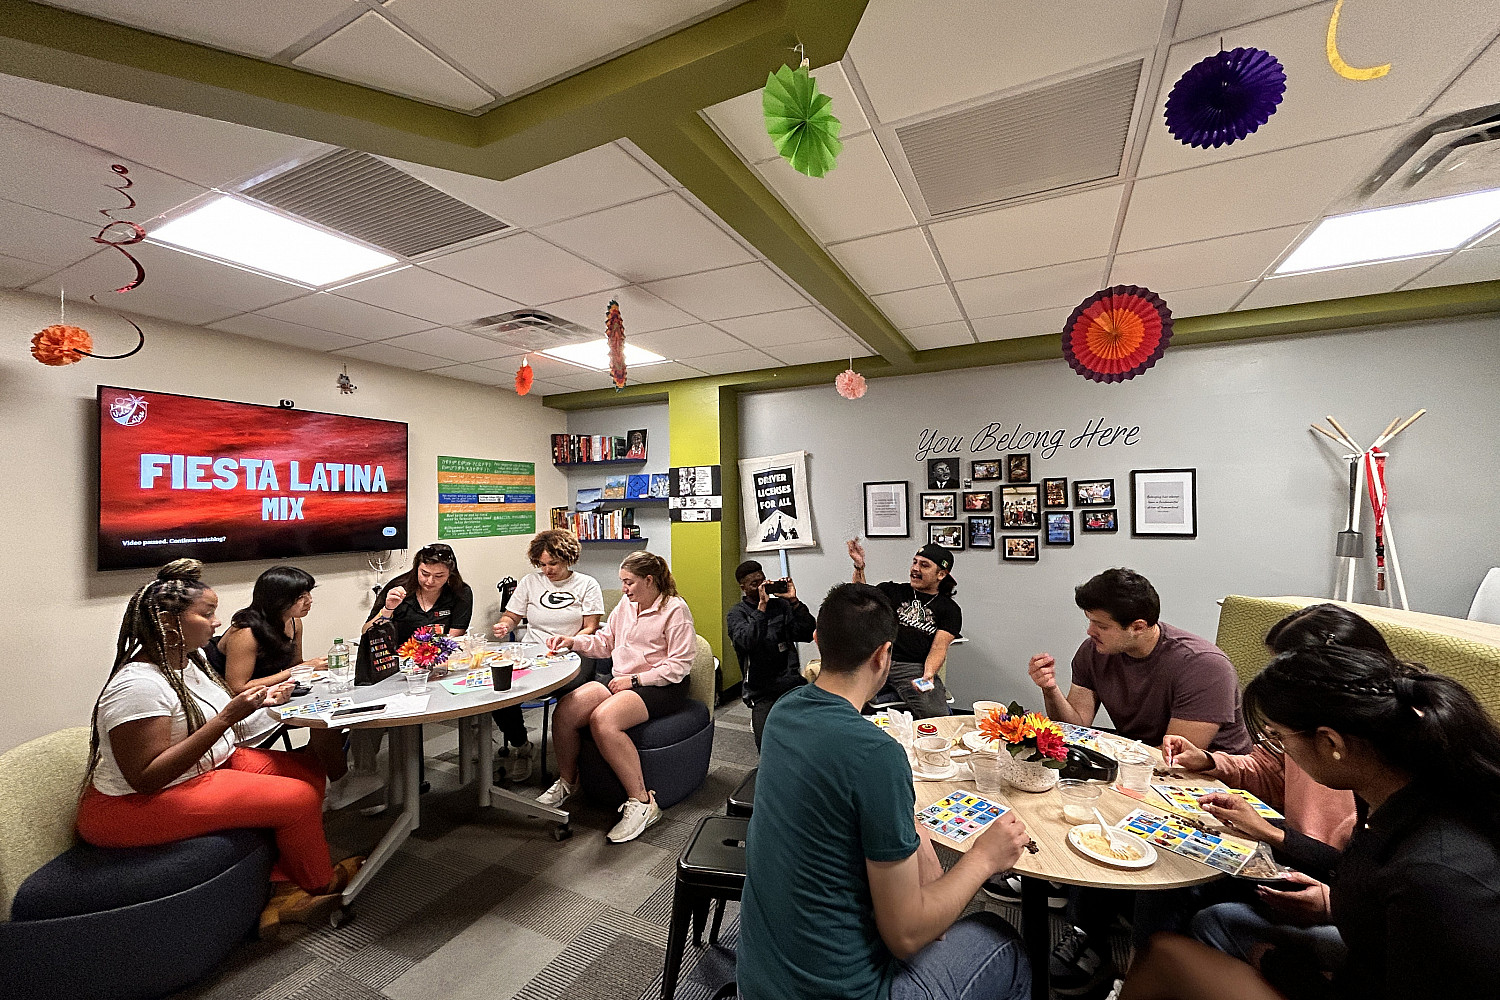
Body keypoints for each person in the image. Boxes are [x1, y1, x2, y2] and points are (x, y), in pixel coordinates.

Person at [1118, 643, 1500, 1000]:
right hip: (1363, 958)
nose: (1280, 753)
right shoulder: (1400, 797)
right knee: (1212, 923)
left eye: (1280, 739)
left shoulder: (1437, 873)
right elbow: (1366, 878)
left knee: (1165, 956)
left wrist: (1284, 970)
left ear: (1331, 744)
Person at [739, 582, 1032, 1000]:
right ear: (883, 655)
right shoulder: (875, 754)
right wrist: (985, 858)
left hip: (760, 979)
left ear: (819, 641)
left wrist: (911, 829)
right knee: (1003, 940)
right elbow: (907, 935)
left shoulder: (784, 711)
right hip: (845, 991)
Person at [75, 561, 360, 938]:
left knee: (307, 770)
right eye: (207, 614)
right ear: (167, 622)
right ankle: (316, 884)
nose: (216, 623)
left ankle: (284, 882)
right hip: (130, 806)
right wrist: (226, 718)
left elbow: (217, 708)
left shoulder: (189, 662)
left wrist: (263, 701)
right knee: (298, 797)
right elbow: (146, 778)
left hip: (202, 767)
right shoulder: (137, 686)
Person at [1023, 568, 1250, 995]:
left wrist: (1112, 785)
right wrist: (1050, 690)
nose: (1090, 632)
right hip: (1134, 759)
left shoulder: (1202, 666)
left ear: (1139, 627)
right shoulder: (1094, 652)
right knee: (1066, 790)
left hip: (1209, 779)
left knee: (1152, 846)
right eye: (1089, 621)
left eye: (1100, 624)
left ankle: (1147, 963)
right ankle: (1084, 925)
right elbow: (1075, 726)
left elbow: (1178, 759)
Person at [536, 551, 696, 843]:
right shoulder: (626, 604)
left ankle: (644, 803)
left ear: (650, 580)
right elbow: (606, 643)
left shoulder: (675, 610)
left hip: (662, 685)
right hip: (624, 679)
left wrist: (635, 679)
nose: (623, 588)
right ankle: (568, 782)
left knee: (604, 720)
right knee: (567, 709)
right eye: (622, 581)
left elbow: (679, 667)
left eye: (629, 582)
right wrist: (574, 642)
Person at [489, 529, 605, 782]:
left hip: (573, 654)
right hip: (534, 652)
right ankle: (522, 746)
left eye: (553, 563)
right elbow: (512, 616)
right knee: (499, 689)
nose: (547, 570)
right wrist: (504, 625)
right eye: (542, 564)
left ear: (568, 558)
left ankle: (575, 760)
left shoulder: (587, 584)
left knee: (570, 697)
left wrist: (569, 642)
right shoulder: (531, 582)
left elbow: (591, 627)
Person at [210, 565, 347, 777]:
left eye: (309, 594)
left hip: (275, 693)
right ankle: (333, 780)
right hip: (240, 707)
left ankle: (324, 777)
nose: (309, 601)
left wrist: (313, 670)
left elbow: (296, 666)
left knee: (332, 709)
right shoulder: (245, 631)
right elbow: (237, 687)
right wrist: (300, 670)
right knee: (322, 715)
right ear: (278, 599)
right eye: (301, 596)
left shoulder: (294, 622)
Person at [363, 543, 473, 794]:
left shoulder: (460, 593)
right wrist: (388, 609)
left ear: (450, 574)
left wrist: (427, 658)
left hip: (437, 665)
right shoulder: (398, 588)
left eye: (439, 576)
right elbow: (368, 631)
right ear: (417, 569)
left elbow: (452, 638)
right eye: (425, 574)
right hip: (394, 666)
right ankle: (374, 779)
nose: (430, 581)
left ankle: (414, 780)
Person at [846, 540, 960, 718]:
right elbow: (861, 596)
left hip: (911, 667)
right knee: (842, 699)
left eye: (924, 565)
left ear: (941, 574)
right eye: (915, 562)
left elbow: (939, 647)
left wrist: (928, 675)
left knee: (937, 715)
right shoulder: (892, 591)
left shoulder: (950, 610)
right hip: (878, 658)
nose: (915, 568)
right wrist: (859, 567)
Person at [727, 560, 815, 748]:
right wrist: (761, 608)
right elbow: (746, 642)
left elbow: (807, 633)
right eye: (754, 584)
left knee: (811, 733)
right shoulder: (737, 614)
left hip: (790, 682)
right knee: (767, 743)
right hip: (761, 690)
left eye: (762, 581)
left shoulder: (781, 606)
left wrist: (794, 601)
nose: (760, 587)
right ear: (743, 588)